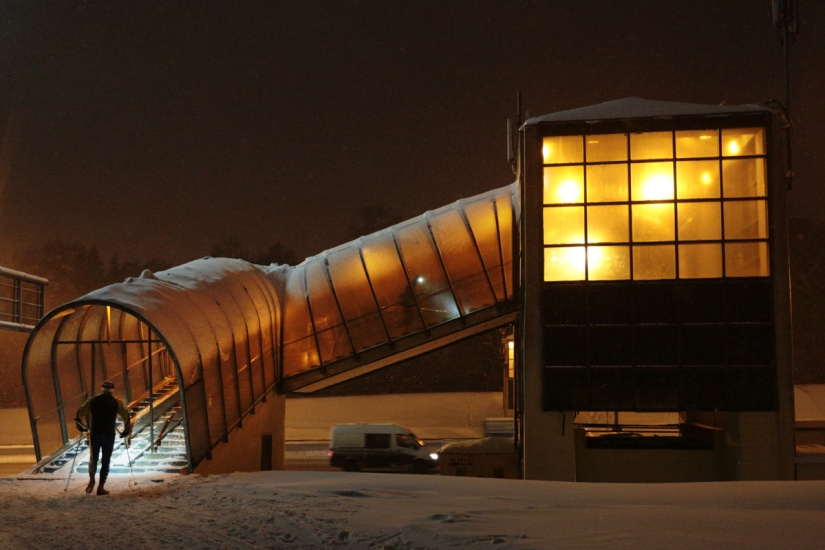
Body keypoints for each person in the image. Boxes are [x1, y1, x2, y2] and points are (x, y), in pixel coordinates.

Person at [75, 381, 131, 495]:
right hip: (108, 434)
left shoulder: (93, 400)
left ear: (102, 389)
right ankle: (101, 487)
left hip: (95, 433)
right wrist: (126, 431)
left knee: (93, 458)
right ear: (112, 390)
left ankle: (91, 480)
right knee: (106, 460)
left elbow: (80, 413)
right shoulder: (116, 402)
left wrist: (80, 426)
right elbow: (126, 416)